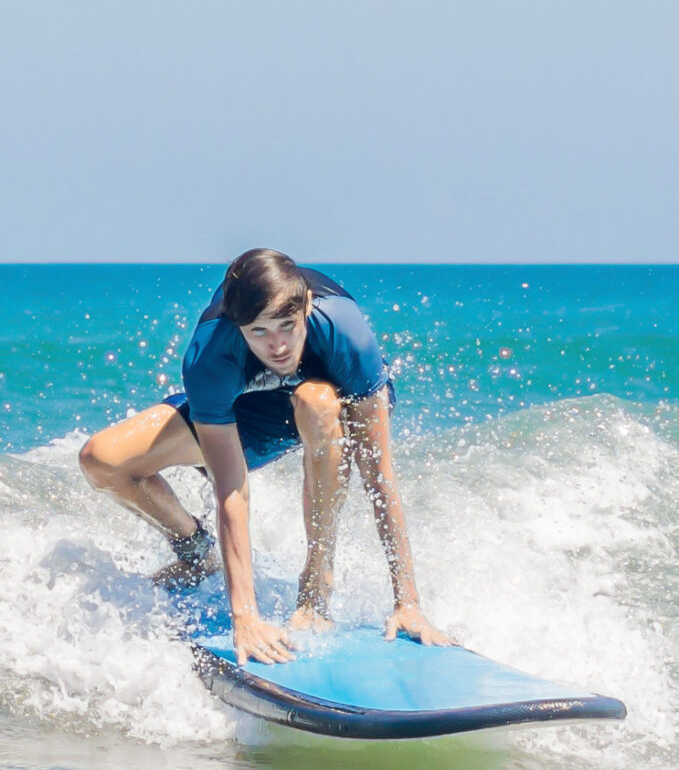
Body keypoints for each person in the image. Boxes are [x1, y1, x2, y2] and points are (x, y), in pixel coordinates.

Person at [79, 249, 452, 664]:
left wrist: (408, 602)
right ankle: (192, 551)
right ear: (237, 326)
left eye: (288, 326)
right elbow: (231, 490)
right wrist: (246, 617)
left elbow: (380, 479)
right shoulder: (210, 356)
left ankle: (315, 585)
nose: (277, 346)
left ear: (306, 308)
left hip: (328, 406)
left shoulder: (345, 333)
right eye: (258, 332)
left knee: (317, 400)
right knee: (103, 459)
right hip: (253, 412)